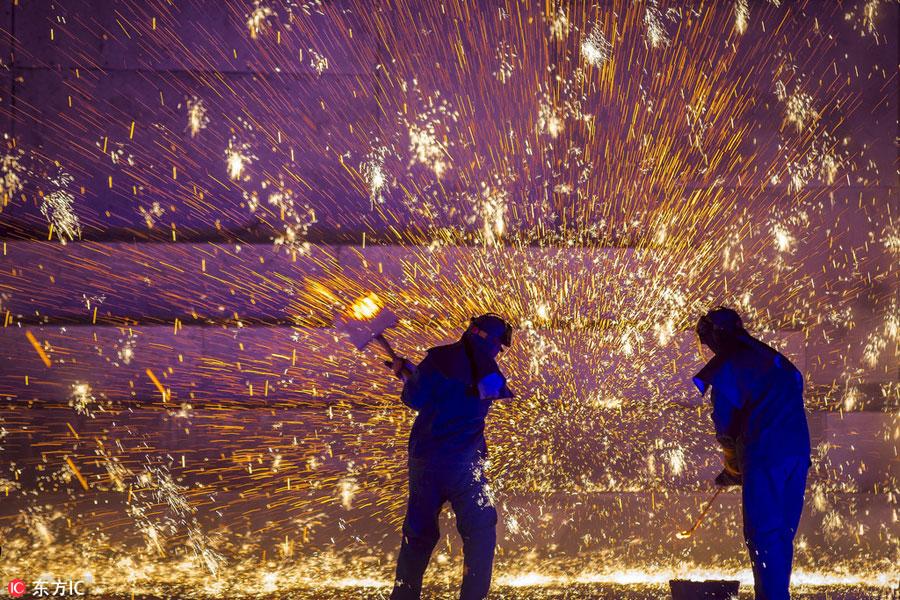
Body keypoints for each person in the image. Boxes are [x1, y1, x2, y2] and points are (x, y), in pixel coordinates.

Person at [386, 313, 514, 600]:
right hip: (465, 466)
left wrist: (406, 374)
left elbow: (418, 399)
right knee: (480, 532)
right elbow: (462, 392)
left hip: (427, 462)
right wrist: (409, 372)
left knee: (417, 536)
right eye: (499, 346)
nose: (499, 352)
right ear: (486, 339)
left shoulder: (437, 359)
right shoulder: (490, 373)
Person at [693, 307, 812, 600]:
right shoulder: (774, 359)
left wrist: (732, 462)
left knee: (762, 533)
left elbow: (724, 422)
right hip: (797, 454)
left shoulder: (730, 364)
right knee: (781, 533)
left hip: (765, 454)